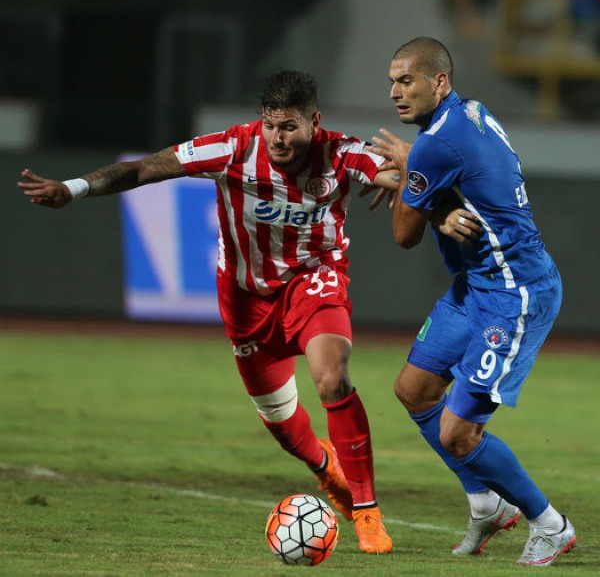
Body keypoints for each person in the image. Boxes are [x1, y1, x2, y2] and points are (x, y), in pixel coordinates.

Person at [18, 71, 413, 552]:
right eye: (270, 125)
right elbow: (143, 169)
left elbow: (400, 177)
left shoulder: (340, 152)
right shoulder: (232, 148)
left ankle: (368, 512)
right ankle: (325, 466)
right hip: (246, 300)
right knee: (284, 426)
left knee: (332, 377)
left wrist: (413, 174)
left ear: (315, 123)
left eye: (289, 127)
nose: (277, 138)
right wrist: (74, 188)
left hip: (314, 280)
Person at [371, 38, 576, 566]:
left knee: (459, 433)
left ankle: (549, 524)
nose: (395, 92)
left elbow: (403, 236)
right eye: (392, 82)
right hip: (475, 285)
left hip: (514, 294)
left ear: (439, 82)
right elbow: (461, 181)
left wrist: (411, 174)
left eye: (407, 80)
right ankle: (486, 504)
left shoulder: (434, 146)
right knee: (415, 390)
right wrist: (434, 200)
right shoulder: (471, 112)